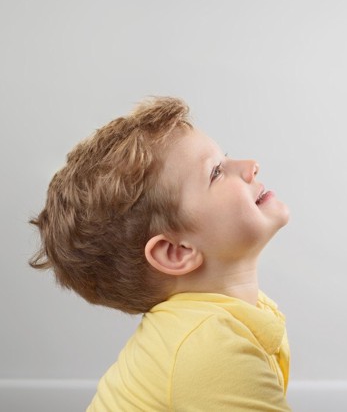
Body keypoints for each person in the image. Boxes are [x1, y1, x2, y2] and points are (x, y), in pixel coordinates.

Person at [30, 97, 291, 411]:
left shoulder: (232, 318)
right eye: (216, 173)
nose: (250, 166)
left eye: (226, 158)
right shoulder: (210, 350)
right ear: (177, 251)